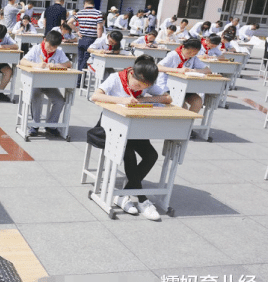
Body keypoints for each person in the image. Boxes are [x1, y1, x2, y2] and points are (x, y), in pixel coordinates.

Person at [91, 55, 172, 221]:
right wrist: (121, 100)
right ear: (133, 74)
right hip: (110, 128)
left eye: (145, 87)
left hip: (133, 128)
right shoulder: (115, 78)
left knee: (152, 155)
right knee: (128, 154)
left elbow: (167, 98)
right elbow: (95, 96)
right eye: (139, 85)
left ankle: (123, 195)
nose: (140, 88)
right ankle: (142, 199)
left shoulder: (146, 84)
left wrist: (143, 98)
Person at [19, 30, 72, 137]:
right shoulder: (36, 49)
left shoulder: (59, 51)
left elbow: (68, 64)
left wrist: (57, 65)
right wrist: (36, 65)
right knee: (36, 97)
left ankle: (51, 126)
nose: (51, 49)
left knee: (60, 101)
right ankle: (35, 125)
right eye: (49, 46)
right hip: (34, 83)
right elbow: (22, 62)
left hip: (49, 84)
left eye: (54, 48)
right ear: (44, 40)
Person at [155, 38, 211, 113]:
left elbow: (208, 70)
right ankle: (181, 123)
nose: (191, 55)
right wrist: (178, 70)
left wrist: (194, 70)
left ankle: (189, 123)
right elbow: (158, 67)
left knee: (197, 102)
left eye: (194, 53)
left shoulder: (193, 58)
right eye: (189, 53)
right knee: (182, 107)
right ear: (183, 48)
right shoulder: (173, 55)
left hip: (184, 87)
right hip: (168, 87)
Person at [71, 0, 104, 85]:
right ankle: (79, 82)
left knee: (80, 60)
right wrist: (99, 38)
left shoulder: (80, 12)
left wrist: (77, 31)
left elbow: (69, 22)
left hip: (82, 39)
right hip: (91, 39)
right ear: (93, 4)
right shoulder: (98, 13)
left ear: (85, 3)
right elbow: (99, 27)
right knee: (85, 62)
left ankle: (78, 81)